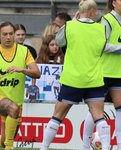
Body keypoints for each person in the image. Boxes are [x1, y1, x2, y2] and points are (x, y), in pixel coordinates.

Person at [41, 0, 111, 150]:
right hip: (94, 78)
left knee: (58, 115)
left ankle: (44, 148)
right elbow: (101, 50)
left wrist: (72, 21)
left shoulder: (70, 25)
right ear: (92, 11)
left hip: (73, 79)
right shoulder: (101, 29)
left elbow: (59, 42)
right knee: (99, 116)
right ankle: (106, 148)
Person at [83, 0, 121, 150]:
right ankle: (85, 146)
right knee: (95, 111)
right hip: (103, 72)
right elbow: (103, 46)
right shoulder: (106, 20)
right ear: (113, 3)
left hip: (118, 72)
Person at [0, 21, 40, 150]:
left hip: (16, 99)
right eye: (5, 34)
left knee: (5, 139)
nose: (8, 37)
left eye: (11, 34)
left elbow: (37, 73)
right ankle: (9, 148)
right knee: (13, 109)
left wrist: (21, 69)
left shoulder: (24, 51)